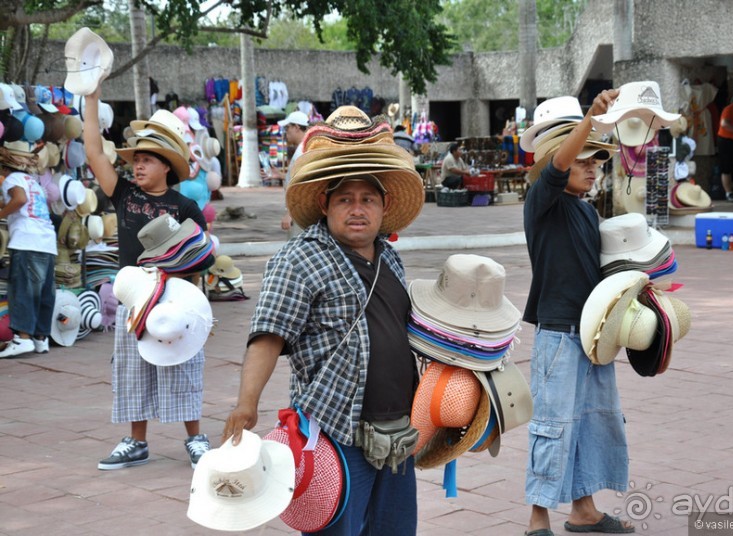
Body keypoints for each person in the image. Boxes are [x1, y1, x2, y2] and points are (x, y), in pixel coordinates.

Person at [222, 105, 424, 535]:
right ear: (323, 203)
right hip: (334, 432)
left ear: (383, 206)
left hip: (398, 431)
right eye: (345, 199)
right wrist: (246, 403)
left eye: (367, 199)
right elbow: (268, 335)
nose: (357, 209)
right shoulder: (300, 258)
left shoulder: (391, 258)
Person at [83, 83, 212, 470]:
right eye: (136, 159)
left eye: (147, 159)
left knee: (183, 364)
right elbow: (93, 151)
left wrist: (196, 313)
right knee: (133, 368)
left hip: (174, 302)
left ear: (167, 166)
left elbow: (199, 259)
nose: (137, 165)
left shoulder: (184, 205)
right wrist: (91, 97)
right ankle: (136, 442)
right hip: (133, 299)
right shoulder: (123, 194)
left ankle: (196, 438)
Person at [522, 90, 634, 535]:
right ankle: (537, 521)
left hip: (592, 336)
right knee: (551, 427)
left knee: (589, 424)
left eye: (596, 161)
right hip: (557, 336)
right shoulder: (541, 201)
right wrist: (590, 118)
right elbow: (556, 168)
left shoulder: (586, 213)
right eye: (583, 159)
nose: (591, 167)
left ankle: (583, 510)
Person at [0, 141, 57, 358]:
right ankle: (40, 339)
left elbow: (20, 200)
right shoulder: (32, 181)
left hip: (27, 241)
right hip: (46, 241)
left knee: (23, 289)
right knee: (43, 292)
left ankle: (22, 339)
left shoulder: (12, 179)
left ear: (5, 165)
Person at [279, 110, 309, 238]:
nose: (286, 132)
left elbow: (303, 186)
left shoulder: (302, 152)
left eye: (287, 128)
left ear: (296, 127)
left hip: (299, 212)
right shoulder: (303, 148)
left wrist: (290, 213)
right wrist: (280, 175)